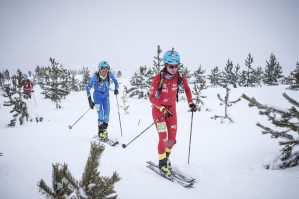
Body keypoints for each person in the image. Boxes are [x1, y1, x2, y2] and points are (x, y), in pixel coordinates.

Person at [149, 49, 197, 177]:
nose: (174, 68)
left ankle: (166, 156)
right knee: (163, 137)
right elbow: (151, 98)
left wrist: (190, 102)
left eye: (177, 66)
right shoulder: (158, 77)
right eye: (171, 66)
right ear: (165, 65)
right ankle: (162, 164)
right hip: (159, 111)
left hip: (172, 109)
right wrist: (162, 109)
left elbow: (187, 89)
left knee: (172, 139)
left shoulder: (180, 77)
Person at [86, 61, 119, 141]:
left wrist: (116, 89)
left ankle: (104, 131)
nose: (104, 71)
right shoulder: (95, 76)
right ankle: (100, 132)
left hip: (106, 96)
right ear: (99, 69)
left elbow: (115, 81)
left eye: (106, 69)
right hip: (97, 96)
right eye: (102, 69)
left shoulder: (109, 74)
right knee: (100, 114)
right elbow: (88, 87)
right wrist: (90, 101)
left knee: (107, 114)